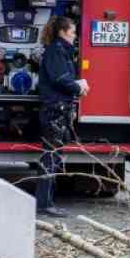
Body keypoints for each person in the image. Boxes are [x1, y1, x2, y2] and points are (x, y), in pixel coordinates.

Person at [35, 16, 89, 217]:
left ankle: (46, 202)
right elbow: (60, 79)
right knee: (50, 157)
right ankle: (44, 204)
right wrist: (78, 87)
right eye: (73, 32)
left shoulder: (60, 51)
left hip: (57, 110)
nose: (75, 36)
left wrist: (76, 85)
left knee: (52, 157)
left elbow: (64, 78)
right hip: (54, 111)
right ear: (62, 32)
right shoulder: (56, 51)